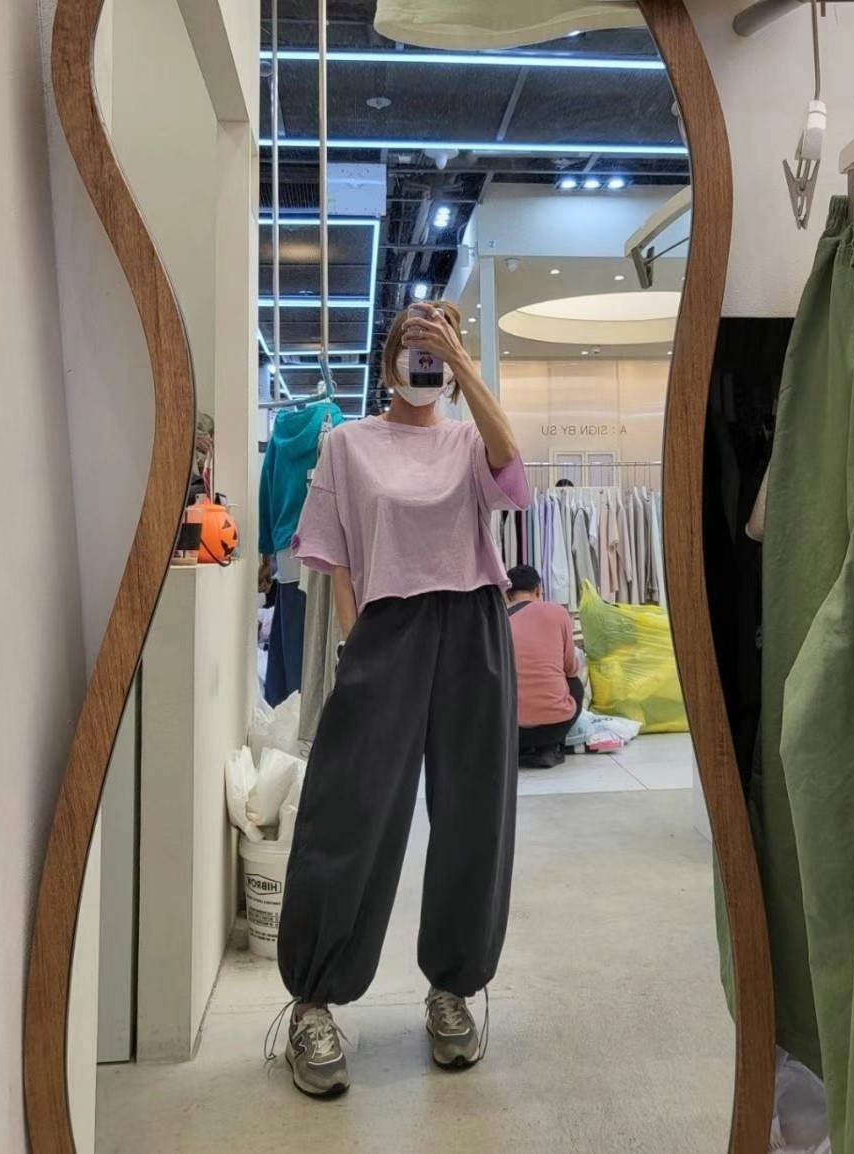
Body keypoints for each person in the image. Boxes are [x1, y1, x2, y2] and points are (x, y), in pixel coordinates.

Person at [276, 299, 529, 1097]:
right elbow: (335, 559)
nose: (422, 363)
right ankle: (312, 1000)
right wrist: (360, 645)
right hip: (387, 628)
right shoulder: (347, 443)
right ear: (388, 359)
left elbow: (514, 473)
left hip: (473, 625)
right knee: (349, 810)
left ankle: (452, 989)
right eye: (413, 347)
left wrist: (464, 365)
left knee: (473, 816)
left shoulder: (467, 440)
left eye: (436, 351)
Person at [505, 565, 584, 769]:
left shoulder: (497, 620)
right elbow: (570, 668)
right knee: (575, 684)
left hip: (508, 730)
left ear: (508, 594)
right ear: (538, 590)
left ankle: (520, 750)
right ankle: (548, 747)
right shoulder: (558, 613)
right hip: (555, 726)